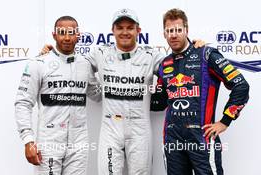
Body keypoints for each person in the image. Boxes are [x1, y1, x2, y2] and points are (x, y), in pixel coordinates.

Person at [40, 9, 205, 175]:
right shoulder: (100, 53)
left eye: (130, 28)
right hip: (110, 130)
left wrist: (195, 48)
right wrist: (52, 54)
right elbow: (72, 63)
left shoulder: (151, 56)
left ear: (138, 31)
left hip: (140, 130)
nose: (125, 32)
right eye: (120, 28)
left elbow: (178, 65)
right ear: (113, 31)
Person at [151, 8, 250, 175]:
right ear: (164, 34)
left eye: (178, 30)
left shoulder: (207, 54)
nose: (174, 35)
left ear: (186, 30)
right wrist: (131, 96)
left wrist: (225, 121)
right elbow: (160, 102)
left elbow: (241, 86)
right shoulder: (164, 64)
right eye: (169, 31)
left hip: (202, 139)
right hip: (173, 140)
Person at [15, 16, 101, 175]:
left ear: (78, 35)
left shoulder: (85, 64)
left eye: (71, 33)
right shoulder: (38, 63)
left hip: (79, 143)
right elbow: (23, 103)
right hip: (48, 142)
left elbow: (97, 96)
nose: (67, 38)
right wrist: (28, 141)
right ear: (54, 35)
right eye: (62, 33)